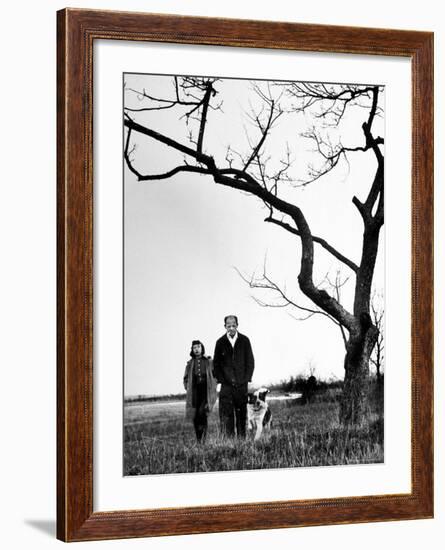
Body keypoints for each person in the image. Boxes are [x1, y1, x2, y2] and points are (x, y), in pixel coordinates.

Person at [213, 315, 255, 438]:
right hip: (226, 386)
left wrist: (246, 379)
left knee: (241, 415)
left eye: (233, 325)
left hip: (241, 385)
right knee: (227, 416)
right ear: (225, 326)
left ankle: (242, 441)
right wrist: (222, 380)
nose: (231, 328)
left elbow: (250, 361)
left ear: (237, 325)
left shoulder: (244, 340)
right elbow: (216, 364)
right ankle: (229, 443)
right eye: (228, 326)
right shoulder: (220, 342)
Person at [183, 340, 217, 442]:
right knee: (195, 415)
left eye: (198, 347)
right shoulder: (190, 364)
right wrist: (187, 387)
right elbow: (185, 378)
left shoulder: (209, 361)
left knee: (202, 412)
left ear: (202, 348)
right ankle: (199, 440)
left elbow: (215, 375)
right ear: (192, 350)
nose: (196, 349)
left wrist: (213, 385)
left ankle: (204, 438)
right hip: (194, 392)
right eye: (194, 348)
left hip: (206, 391)